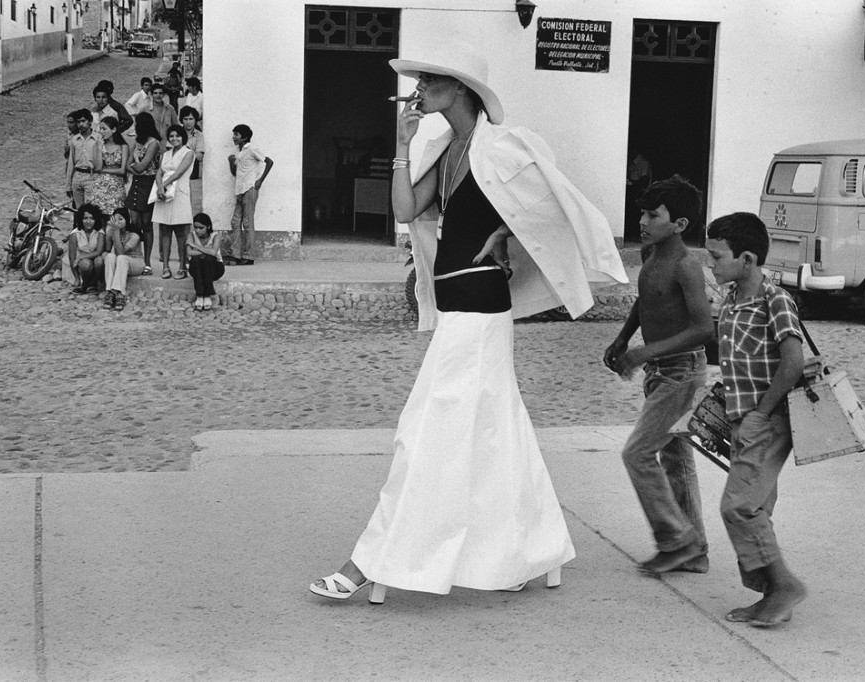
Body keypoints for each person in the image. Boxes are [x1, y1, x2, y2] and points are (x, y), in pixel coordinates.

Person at [309, 41, 627, 604]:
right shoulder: (446, 147)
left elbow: (563, 205)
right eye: (422, 81)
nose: (421, 88)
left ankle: (367, 562)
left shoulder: (506, 147)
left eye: (432, 80)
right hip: (458, 301)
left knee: (424, 432)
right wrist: (405, 144)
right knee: (497, 429)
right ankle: (535, 548)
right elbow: (406, 212)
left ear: (460, 89)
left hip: (480, 307)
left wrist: (508, 232)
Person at [604, 175, 714, 573]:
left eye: (654, 214)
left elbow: (704, 328)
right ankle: (694, 551)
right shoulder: (652, 257)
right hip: (660, 371)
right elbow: (645, 302)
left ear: (680, 224)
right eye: (642, 213)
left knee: (637, 452)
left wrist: (642, 352)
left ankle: (676, 539)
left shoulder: (687, 266)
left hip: (681, 373)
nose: (644, 221)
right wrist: (622, 339)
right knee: (675, 457)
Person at [705, 212, 807, 628]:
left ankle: (784, 586)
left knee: (739, 507)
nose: (711, 264)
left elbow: (793, 362)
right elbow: (734, 355)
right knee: (757, 506)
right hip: (741, 417)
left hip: (766, 420)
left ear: (746, 259)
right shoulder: (731, 298)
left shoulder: (774, 299)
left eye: (717, 256)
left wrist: (760, 415)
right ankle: (770, 597)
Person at [152, 124, 195, 280]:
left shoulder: (188, 153)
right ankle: (166, 266)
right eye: (171, 136)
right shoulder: (166, 154)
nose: (174, 139)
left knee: (181, 232)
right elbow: (159, 172)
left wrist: (163, 184)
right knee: (164, 231)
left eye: (177, 136)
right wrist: (159, 186)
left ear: (183, 137)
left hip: (180, 194)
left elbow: (179, 172)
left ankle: (183, 267)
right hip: (163, 194)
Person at [226, 124, 273, 265]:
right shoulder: (240, 153)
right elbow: (236, 174)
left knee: (247, 223)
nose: (234, 137)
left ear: (245, 137)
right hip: (240, 190)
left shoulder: (252, 149)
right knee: (235, 222)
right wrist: (231, 163)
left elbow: (269, 161)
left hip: (249, 189)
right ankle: (236, 254)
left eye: (237, 135)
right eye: (234, 134)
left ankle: (249, 256)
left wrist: (260, 181)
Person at [125, 112, 162, 276]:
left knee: (147, 224)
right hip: (137, 183)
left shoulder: (153, 143)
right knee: (135, 223)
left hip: (148, 183)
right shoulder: (136, 143)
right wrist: (135, 167)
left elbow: (141, 167)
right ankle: (137, 257)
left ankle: (147, 261)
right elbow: (127, 165)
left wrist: (135, 166)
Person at [102, 207, 145, 311]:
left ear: (127, 220)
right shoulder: (111, 231)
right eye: (115, 220)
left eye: (121, 219)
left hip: (135, 263)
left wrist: (116, 231)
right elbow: (108, 250)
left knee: (121, 257)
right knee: (110, 256)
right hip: (120, 264)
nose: (118, 222)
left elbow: (121, 252)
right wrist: (109, 233)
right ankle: (110, 292)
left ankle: (119, 293)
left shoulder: (134, 235)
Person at [91, 116, 129, 218]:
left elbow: (122, 170)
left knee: (116, 218)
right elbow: (98, 167)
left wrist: (103, 170)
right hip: (100, 187)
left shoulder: (123, 147)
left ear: (114, 129)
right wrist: (99, 148)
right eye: (100, 129)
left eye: (104, 129)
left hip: (116, 188)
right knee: (100, 219)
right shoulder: (98, 146)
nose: (101, 132)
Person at [185, 212, 224, 311]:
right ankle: (201, 295)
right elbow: (189, 252)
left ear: (208, 226)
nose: (197, 230)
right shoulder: (191, 235)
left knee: (209, 260)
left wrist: (196, 247)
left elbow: (213, 252)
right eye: (196, 227)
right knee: (196, 259)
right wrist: (206, 252)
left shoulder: (216, 236)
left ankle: (206, 295)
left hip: (215, 269)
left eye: (201, 228)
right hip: (197, 268)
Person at [67, 203, 106, 293]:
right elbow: (71, 258)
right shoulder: (75, 234)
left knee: (99, 261)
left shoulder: (99, 232)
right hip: (84, 263)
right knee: (85, 265)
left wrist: (80, 257)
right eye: (85, 218)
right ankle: (86, 282)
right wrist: (76, 278)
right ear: (81, 219)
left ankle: (92, 283)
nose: (88, 221)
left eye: (91, 218)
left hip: (96, 257)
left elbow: (99, 251)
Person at [66, 108, 101, 208]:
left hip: (92, 176)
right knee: (79, 210)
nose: (81, 124)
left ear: (90, 121)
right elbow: (71, 163)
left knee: (91, 209)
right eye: (78, 122)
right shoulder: (74, 139)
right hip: (77, 177)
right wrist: (68, 184)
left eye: (83, 121)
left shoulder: (98, 138)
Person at [179, 105, 204, 217]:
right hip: (177, 172)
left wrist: (184, 152)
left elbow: (199, 155)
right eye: (185, 119)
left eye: (191, 119)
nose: (188, 122)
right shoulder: (177, 133)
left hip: (193, 173)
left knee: (192, 203)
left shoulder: (199, 135)